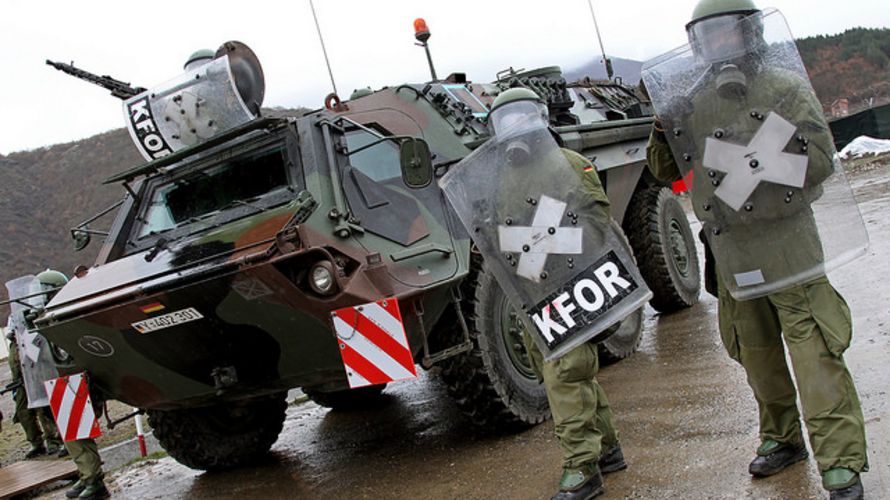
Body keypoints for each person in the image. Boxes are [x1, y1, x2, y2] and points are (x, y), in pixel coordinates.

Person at [644, 1, 867, 499]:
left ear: (752, 34)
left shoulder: (782, 87)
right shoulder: (693, 101)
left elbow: (822, 158)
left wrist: (759, 163)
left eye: (729, 32)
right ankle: (781, 436)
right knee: (757, 353)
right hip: (734, 251)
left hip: (789, 243)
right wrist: (664, 125)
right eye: (710, 35)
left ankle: (840, 462)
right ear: (698, 42)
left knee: (815, 353)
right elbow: (664, 169)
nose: (720, 43)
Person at [489, 88, 626, 500]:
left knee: (566, 372)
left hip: (570, 286)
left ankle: (582, 467)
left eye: (520, 116)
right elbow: (498, 232)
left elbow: (597, 227)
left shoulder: (568, 165)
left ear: (539, 118)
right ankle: (607, 448)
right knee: (561, 370)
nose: (513, 127)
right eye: (503, 120)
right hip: (531, 291)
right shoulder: (501, 179)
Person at [33, 269, 108, 500]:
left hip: (76, 380)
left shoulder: (66, 309)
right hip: (63, 381)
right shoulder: (46, 313)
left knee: (77, 433)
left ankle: (94, 481)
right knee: (72, 435)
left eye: (41, 290)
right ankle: (88, 477)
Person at [6, 321, 65, 459]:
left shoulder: (31, 340)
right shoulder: (14, 347)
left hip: (37, 380)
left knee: (45, 411)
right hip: (21, 384)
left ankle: (55, 440)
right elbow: (15, 367)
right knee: (23, 413)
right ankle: (36, 443)